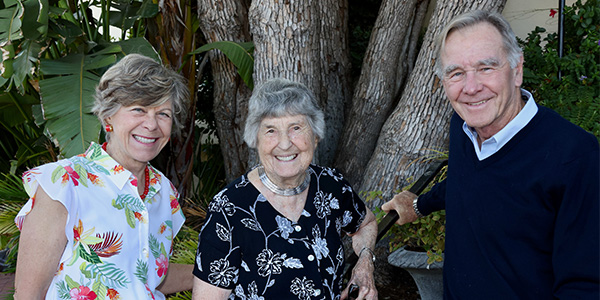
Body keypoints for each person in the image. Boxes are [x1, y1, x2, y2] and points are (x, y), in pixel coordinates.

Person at [382, 10, 599, 299]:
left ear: (517, 69)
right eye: (456, 73)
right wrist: (420, 205)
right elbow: (470, 178)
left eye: (486, 68)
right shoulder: (463, 126)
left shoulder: (575, 156)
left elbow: (584, 285)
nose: (471, 88)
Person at [14, 53, 194, 299]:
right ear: (109, 115)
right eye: (139, 109)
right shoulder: (64, 183)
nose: (152, 125)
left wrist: (224, 272)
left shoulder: (164, 192)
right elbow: (28, 293)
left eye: (163, 114)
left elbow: (148, 278)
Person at [192, 78, 378, 300]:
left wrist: (365, 263)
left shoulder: (331, 186)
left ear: (315, 136)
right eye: (271, 130)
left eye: (296, 128)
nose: (284, 144)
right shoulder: (229, 210)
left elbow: (365, 223)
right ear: (256, 139)